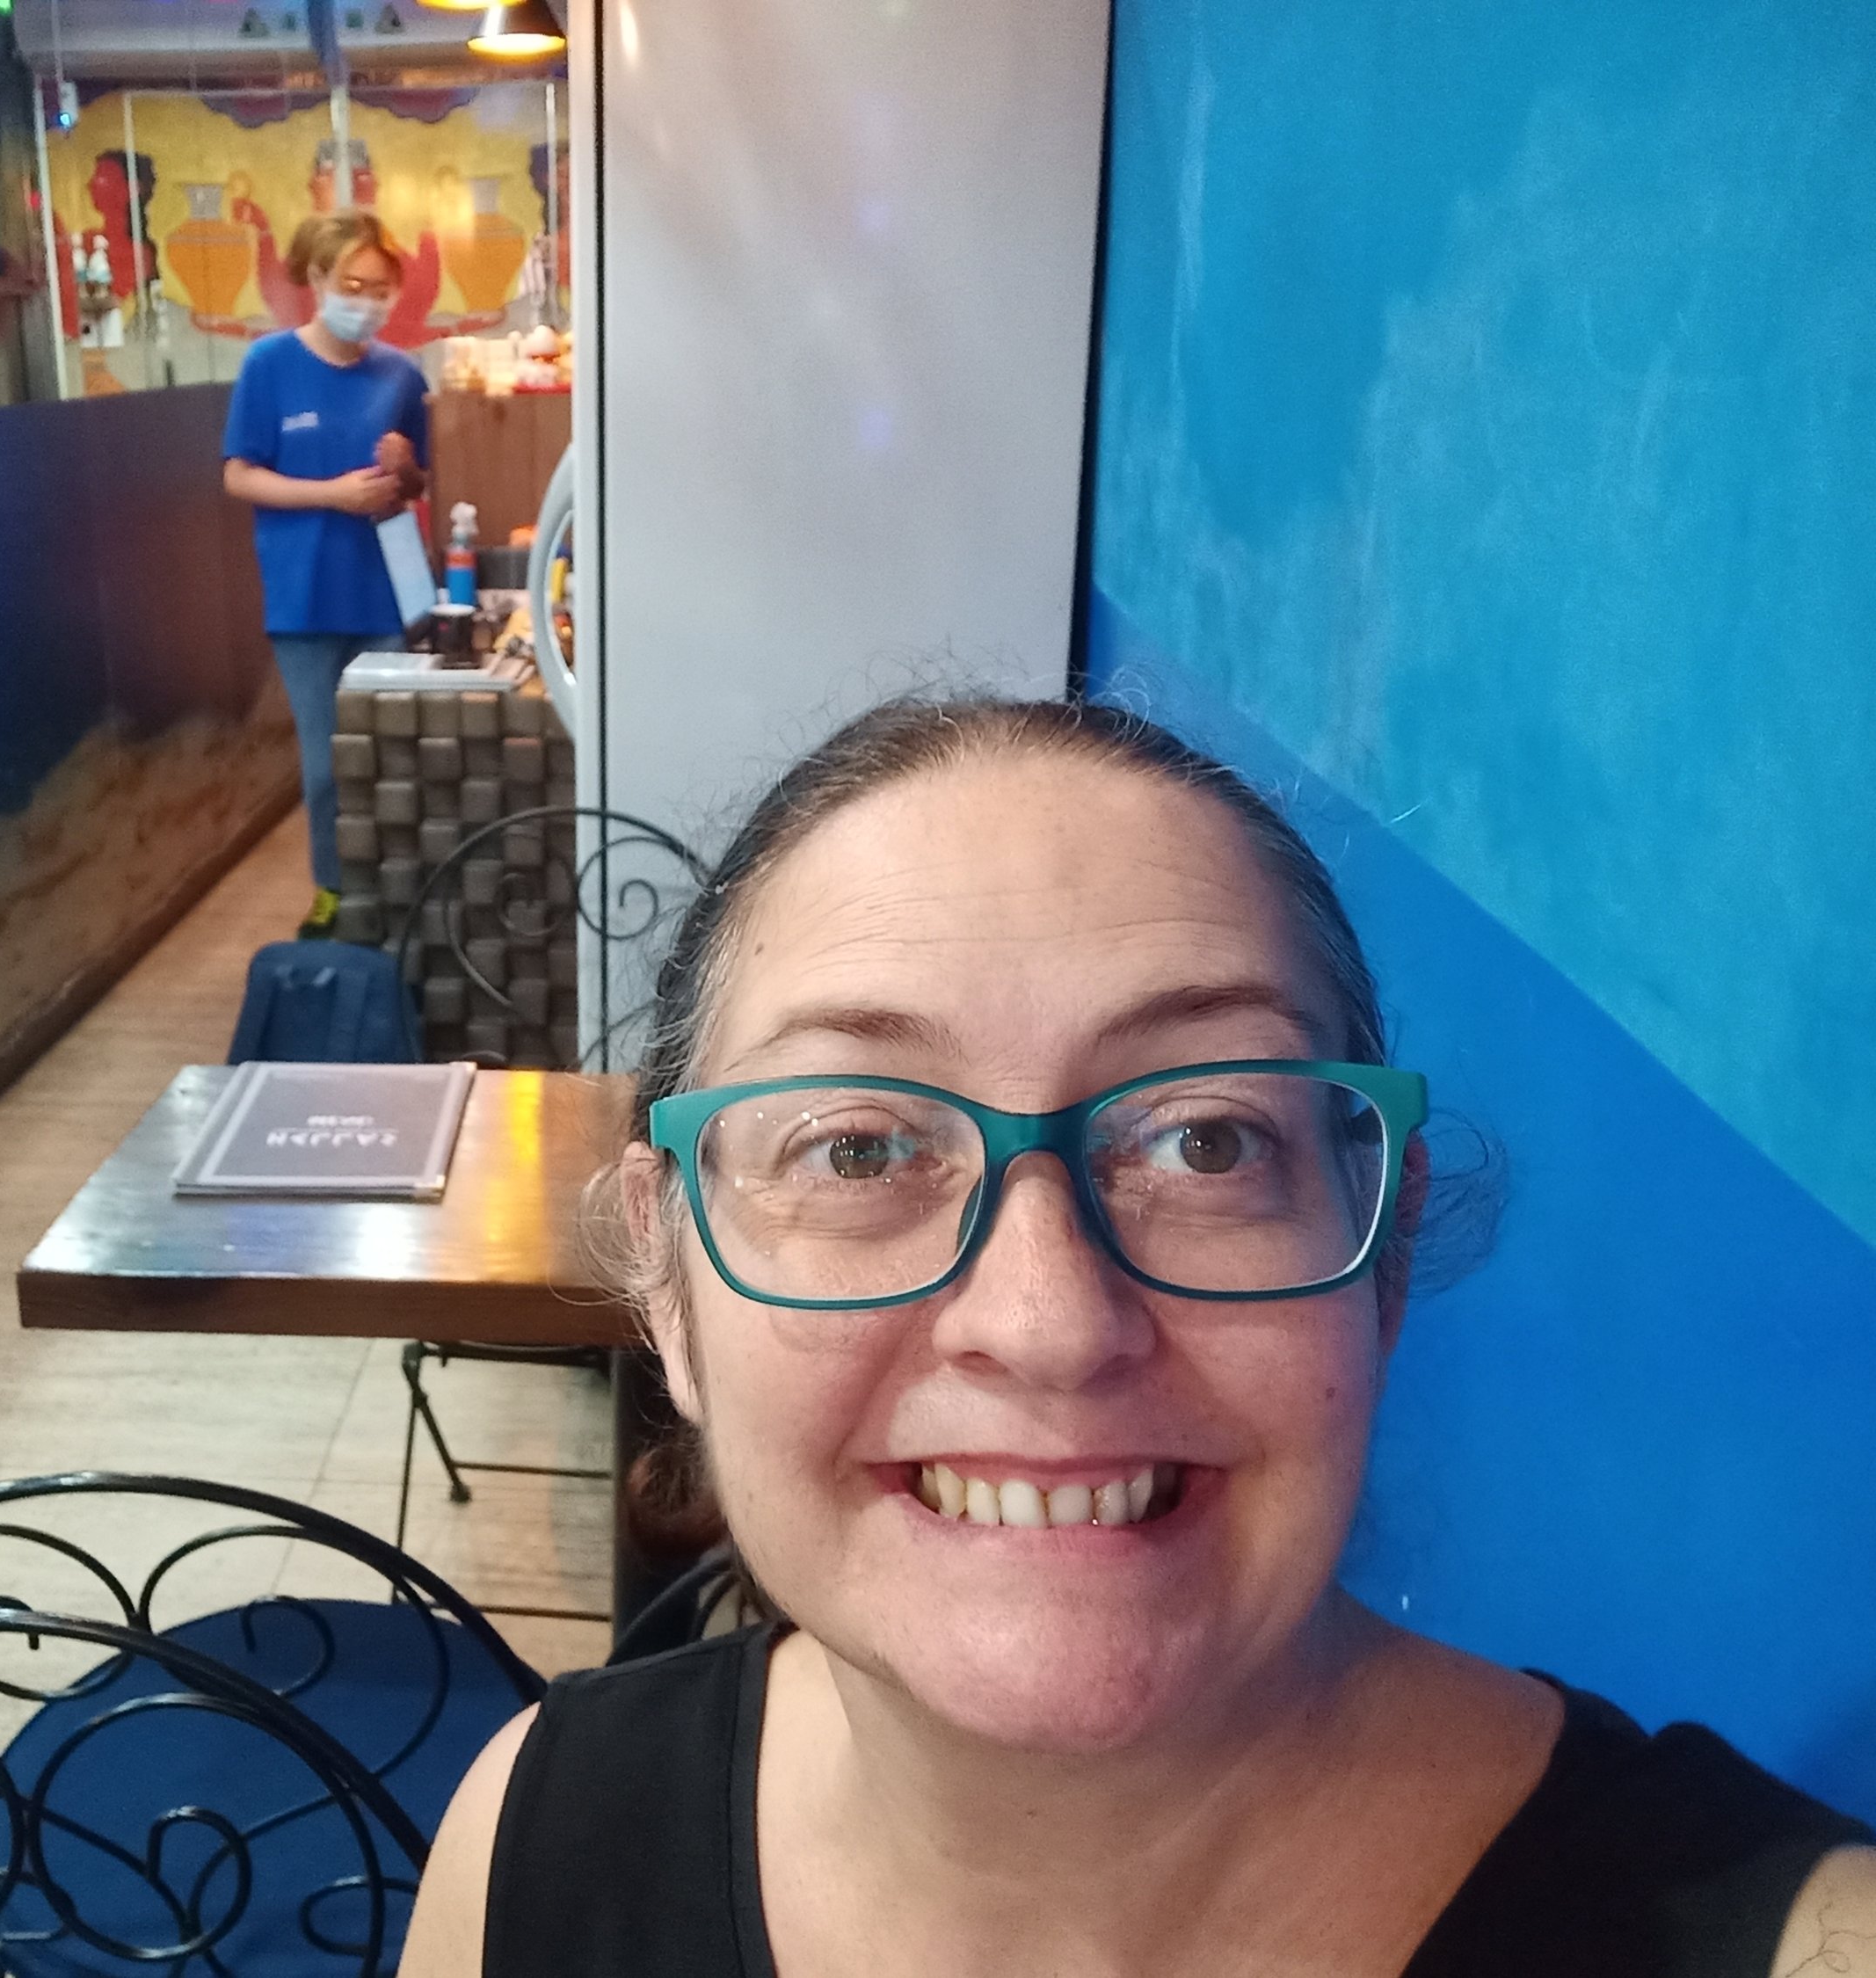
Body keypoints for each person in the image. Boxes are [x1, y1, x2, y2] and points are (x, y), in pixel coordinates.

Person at [401, 695, 1875, 1976]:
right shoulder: (533, 1844)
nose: (1049, 1322)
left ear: (1383, 1257)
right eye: (858, 1150)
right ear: (669, 1285)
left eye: (1207, 1141)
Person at [222, 209, 428, 939]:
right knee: (324, 764)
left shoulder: (401, 374)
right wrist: (331, 495)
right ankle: (334, 890)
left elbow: (417, 484)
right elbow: (239, 475)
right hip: (304, 598)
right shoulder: (268, 366)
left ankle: (402, 888)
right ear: (315, 277)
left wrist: (407, 468)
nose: (366, 301)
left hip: (386, 596)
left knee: (395, 754)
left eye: (380, 289)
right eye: (352, 285)